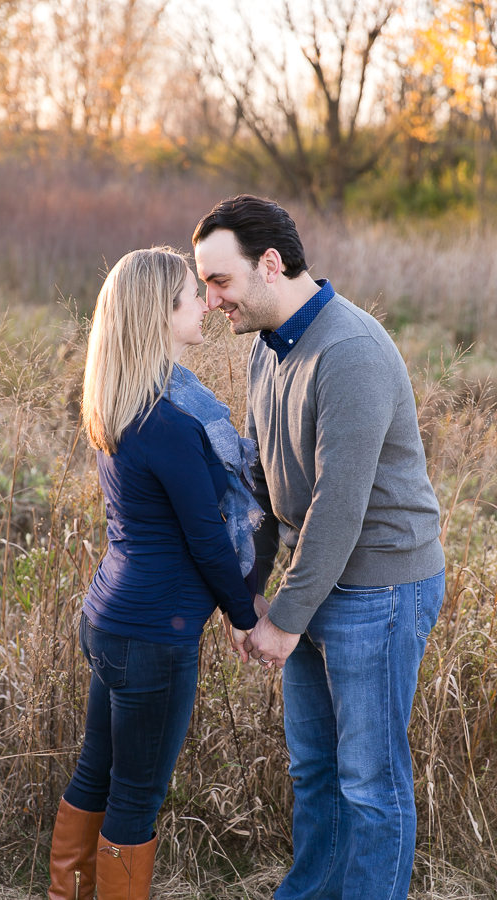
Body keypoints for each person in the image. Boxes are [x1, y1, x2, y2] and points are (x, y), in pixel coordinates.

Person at [192, 196, 445, 900]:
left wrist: (286, 618)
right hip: (316, 582)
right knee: (314, 771)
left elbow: (340, 506)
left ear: (270, 265)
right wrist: (247, 592)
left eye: (219, 281)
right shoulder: (267, 353)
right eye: (206, 285)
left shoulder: (350, 351)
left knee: (369, 783)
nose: (212, 300)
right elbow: (265, 487)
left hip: (380, 588)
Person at [47, 247, 262, 900]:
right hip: (152, 636)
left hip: (109, 621)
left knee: (96, 770)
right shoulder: (166, 421)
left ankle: (66, 893)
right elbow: (205, 538)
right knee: (136, 796)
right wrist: (246, 616)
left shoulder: (123, 405)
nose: (206, 304)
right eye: (192, 295)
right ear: (161, 314)